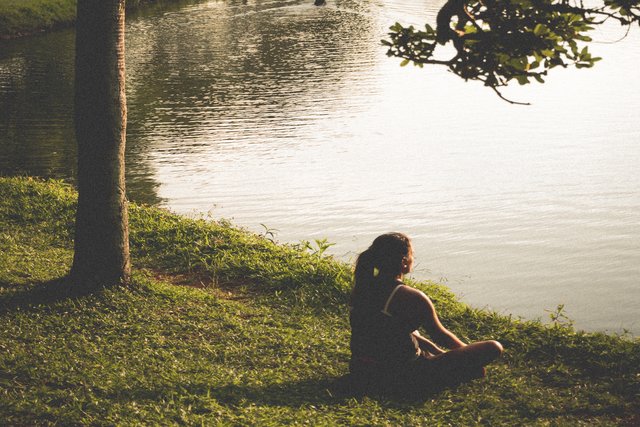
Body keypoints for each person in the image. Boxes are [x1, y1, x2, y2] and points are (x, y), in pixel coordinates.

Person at [349, 232, 503, 395]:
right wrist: (468, 355)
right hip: (402, 376)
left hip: (361, 369)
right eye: (412, 254)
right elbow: (440, 335)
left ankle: (449, 366)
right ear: (403, 262)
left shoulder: (361, 290)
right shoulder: (410, 297)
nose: (413, 258)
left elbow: (393, 332)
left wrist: (439, 353)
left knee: (403, 328)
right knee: (493, 347)